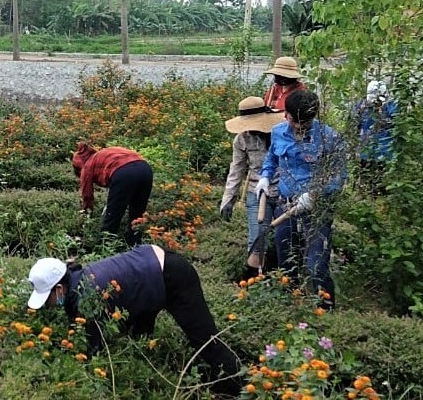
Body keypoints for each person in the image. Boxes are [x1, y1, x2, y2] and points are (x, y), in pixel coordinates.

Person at [27, 245, 243, 395]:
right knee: (139, 336)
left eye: (47, 300)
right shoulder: (77, 281)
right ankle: (152, 375)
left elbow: (90, 350)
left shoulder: (86, 300)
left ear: (58, 288)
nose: (48, 305)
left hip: (173, 276)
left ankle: (242, 387)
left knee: (206, 341)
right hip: (151, 267)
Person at [257, 90, 347, 310]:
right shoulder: (278, 132)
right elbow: (272, 157)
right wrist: (265, 176)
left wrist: (315, 193)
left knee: (316, 264)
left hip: (316, 209)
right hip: (286, 203)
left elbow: (339, 176)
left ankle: (326, 309)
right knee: (285, 256)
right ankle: (290, 303)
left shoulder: (330, 138)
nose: (298, 127)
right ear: (285, 114)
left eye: (304, 123)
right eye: (294, 121)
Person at [219, 96, 284, 278]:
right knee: (257, 238)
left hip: (283, 191)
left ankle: (287, 280)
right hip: (256, 191)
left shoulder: (281, 134)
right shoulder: (241, 140)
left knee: (285, 238)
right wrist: (228, 200)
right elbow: (236, 170)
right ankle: (253, 282)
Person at [72, 143, 153, 246]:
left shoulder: (86, 166)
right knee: (138, 212)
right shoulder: (102, 155)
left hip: (124, 172)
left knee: (113, 215)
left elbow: (87, 196)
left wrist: (87, 213)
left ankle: (106, 245)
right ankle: (135, 244)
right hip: (145, 169)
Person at [354, 80, 397, 194]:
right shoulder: (362, 105)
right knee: (365, 177)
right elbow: (355, 125)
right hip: (366, 148)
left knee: (383, 180)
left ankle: (381, 198)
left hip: (385, 149)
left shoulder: (390, 106)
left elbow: (397, 124)